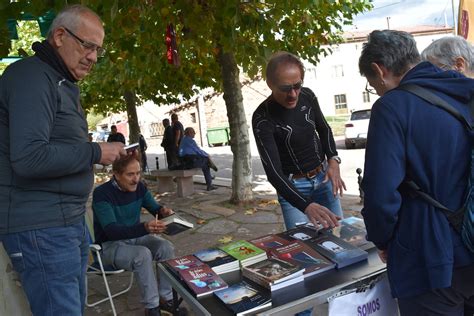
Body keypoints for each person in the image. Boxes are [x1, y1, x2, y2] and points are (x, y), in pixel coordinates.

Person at [0, 5, 126, 315]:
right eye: (88, 45)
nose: (94, 57)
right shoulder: (31, 77)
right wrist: (95, 152)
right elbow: (29, 158)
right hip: (42, 228)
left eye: (98, 50)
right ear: (59, 35)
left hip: (63, 223)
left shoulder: (57, 80)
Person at [359, 30, 474, 315]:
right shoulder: (465, 90)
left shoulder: (392, 107)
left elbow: (380, 195)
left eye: (372, 84)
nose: (376, 90)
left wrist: (383, 240)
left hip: (432, 257)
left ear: (379, 70)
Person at [252, 51, 344, 230]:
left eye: (297, 86)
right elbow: (273, 173)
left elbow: (324, 129)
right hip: (292, 186)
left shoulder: (308, 96)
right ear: (270, 84)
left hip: (323, 176)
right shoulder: (262, 118)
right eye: (285, 88)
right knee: (302, 246)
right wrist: (305, 205)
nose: (293, 94)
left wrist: (333, 160)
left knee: (338, 237)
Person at [92, 154, 187, 316]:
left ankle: (166, 298)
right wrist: (144, 227)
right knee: (142, 254)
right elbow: (112, 231)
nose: (136, 179)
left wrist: (163, 212)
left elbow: (155, 208)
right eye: (130, 174)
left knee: (165, 247)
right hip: (109, 246)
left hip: (135, 238)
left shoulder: (140, 187)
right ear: (116, 174)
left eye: (138, 173)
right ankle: (152, 307)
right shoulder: (102, 193)